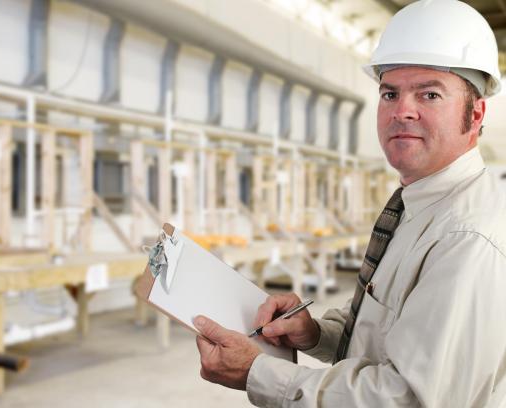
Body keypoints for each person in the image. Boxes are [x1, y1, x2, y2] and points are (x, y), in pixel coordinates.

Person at [194, 0, 506, 406]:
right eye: (389, 93)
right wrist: (314, 334)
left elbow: (408, 398)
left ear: (476, 114)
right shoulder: (419, 206)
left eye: (429, 94)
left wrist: (258, 372)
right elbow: (387, 331)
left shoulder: (468, 236)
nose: (402, 111)